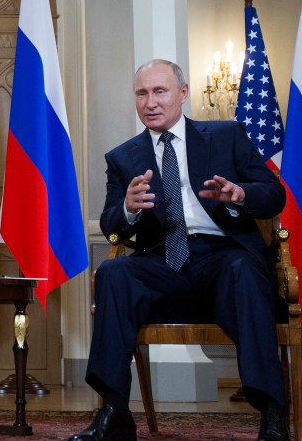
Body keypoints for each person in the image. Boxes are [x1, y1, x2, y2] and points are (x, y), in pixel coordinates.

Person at [69, 59, 288, 441]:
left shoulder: (226, 135)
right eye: (142, 93)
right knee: (113, 272)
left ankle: (271, 414)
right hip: (162, 263)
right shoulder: (122, 157)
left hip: (222, 258)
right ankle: (114, 412)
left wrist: (240, 195)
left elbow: (274, 195)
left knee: (243, 270)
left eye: (160, 91)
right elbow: (109, 224)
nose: (150, 102)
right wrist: (128, 209)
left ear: (183, 94)